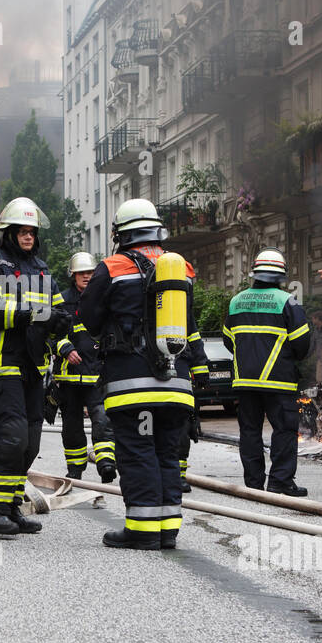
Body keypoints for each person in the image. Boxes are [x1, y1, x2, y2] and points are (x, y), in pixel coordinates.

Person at [79, 199, 208, 550]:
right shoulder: (182, 268)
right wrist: (197, 370)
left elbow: (87, 319)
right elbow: (191, 327)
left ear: (121, 233)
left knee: (138, 452)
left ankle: (142, 529)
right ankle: (167, 530)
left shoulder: (113, 267)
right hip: (178, 383)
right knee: (167, 453)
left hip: (133, 384)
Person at [0, 197, 72, 538]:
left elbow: (58, 310)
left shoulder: (42, 269)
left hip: (33, 366)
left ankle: (10, 506)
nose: (28, 237)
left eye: (32, 232)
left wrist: (64, 324)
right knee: (9, 438)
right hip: (1, 364)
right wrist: (36, 313)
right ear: (8, 233)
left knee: (29, 444)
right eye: (22, 232)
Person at [222, 247, 311, 496]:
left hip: (245, 381)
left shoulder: (237, 301)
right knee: (283, 430)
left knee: (249, 431)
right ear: (281, 276)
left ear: (255, 274)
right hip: (278, 381)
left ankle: (253, 483)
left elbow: (229, 340)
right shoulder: (287, 302)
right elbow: (302, 342)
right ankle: (280, 481)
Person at [53, 252, 116, 482]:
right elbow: (51, 332)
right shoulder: (60, 300)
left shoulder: (103, 298)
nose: (87, 277)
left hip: (96, 373)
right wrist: (65, 348)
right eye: (82, 273)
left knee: (102, 419)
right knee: (71, 425)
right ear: (73, 275)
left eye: (90, 272)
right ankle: (75, 468)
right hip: (69, 376)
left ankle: (106, 463)